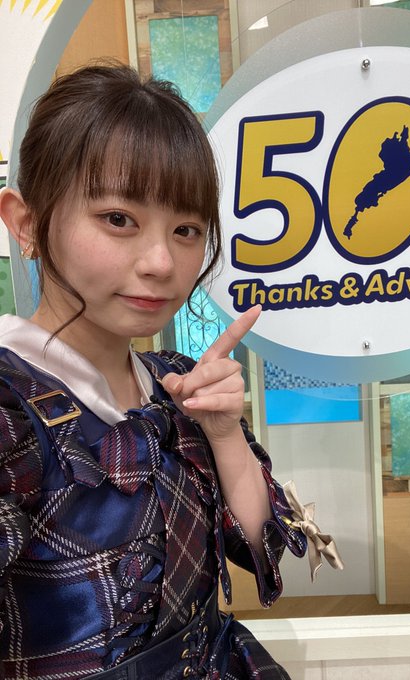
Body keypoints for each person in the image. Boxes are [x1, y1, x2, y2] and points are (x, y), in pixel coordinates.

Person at [0, 64, 319, 679]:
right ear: (27, 222)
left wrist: (225, 435)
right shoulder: (12, 408)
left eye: (186, 230)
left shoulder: (175, 381)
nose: (161, 262)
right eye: (118, 218)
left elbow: (261, 548)